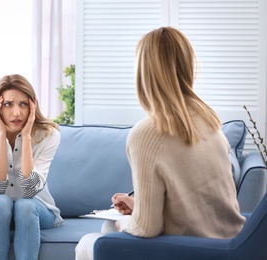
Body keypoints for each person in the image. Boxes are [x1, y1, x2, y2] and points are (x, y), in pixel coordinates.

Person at [75, 26, 245, 260]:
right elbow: (195, 205)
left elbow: (147, 229)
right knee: (106, 230)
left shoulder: (147, 133)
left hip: (188, 250)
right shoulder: (211, 122)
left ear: (143, 72)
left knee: (88, 242)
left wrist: (124, 223)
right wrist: (138, 205)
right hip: (227, 245)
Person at [0, 74, 63, 260]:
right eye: (8, 104)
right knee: (0, 201)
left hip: (37, 209)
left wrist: (26, 137)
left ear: (33, 105)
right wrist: (1, 135)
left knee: (25, 205)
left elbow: (29, 191)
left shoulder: (49, 135)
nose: (17, 112)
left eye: (23, 104)